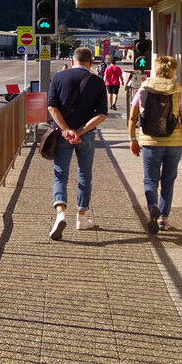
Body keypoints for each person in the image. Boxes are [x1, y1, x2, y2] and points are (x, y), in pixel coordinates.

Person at [128, 55, 182, 233]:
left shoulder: (144, 88)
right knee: (168, 181)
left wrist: (133, 139)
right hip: (174, 144)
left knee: (150, 179)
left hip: (150, 142)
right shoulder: (178, 91)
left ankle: (152, 206)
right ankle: (163, 219)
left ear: (156, 70)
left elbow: (132, 117)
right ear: (173, 72)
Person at [46, 46, 109, 240]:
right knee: (84, 174)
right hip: (86, 136)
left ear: (73, 61)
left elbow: (51, 107)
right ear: (91, 63)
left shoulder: (59, 77)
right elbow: (102, 114)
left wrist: (66, 130)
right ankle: (81, 217)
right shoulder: (97, 82)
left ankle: (60, 213)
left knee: (60, 174)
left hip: (63, 135)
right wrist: (80, 131)